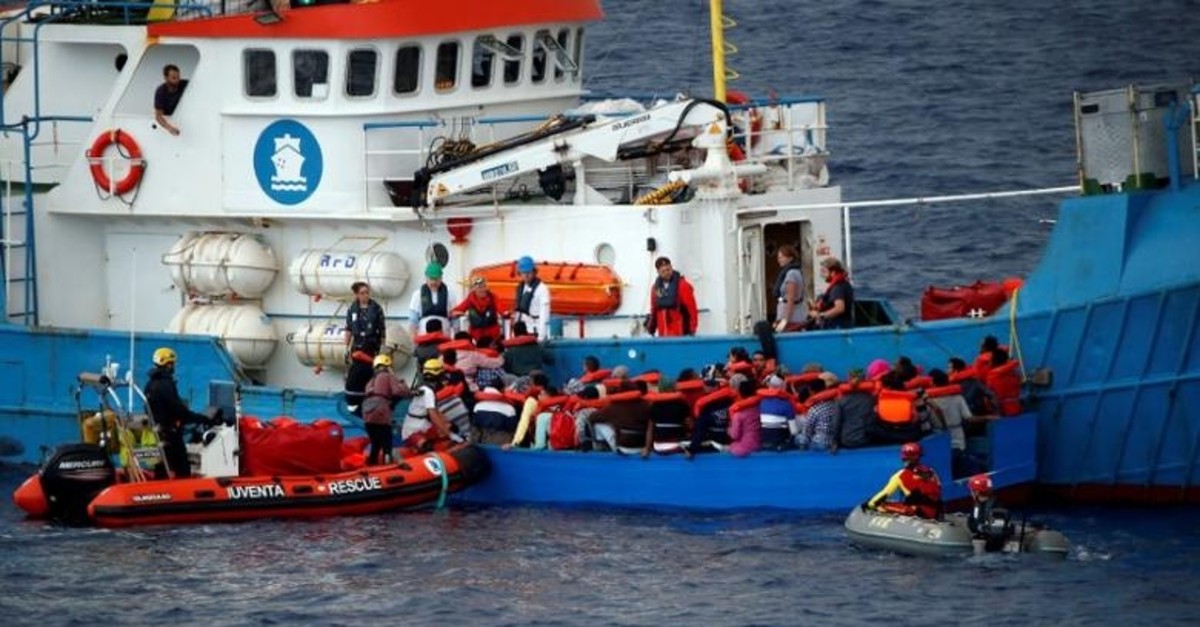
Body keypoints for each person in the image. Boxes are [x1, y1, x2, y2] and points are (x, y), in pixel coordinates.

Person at [143, 347, 208, 479]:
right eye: (172, 364)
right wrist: (202, 418)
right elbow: (178, 410)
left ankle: (159, 490)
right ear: (168, 364)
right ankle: (183, 493)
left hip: (159, 431)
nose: (174, 367)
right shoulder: (166, 384)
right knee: (182, 466)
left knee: (162, 465)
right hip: (170, 433)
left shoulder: (150, 383)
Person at [864, 442, 943, 520]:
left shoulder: (899, 475)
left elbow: (885, 493)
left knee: (878, 505)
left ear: (903, 457)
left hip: (919, 512)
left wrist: (869, 504)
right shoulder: (931, 471)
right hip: (936, 511)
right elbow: (939, 489)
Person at [361, 354, 410, 465]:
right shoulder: (388, 376)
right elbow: (397, 392)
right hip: (381, 412)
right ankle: (389, 465)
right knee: (387, 442)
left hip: (367, 414)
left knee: (375, 444)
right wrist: (404, 387)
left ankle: (371, 465)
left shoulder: (370, 381)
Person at [400, 359, 455, 451]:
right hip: (414, 430)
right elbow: (434, 416)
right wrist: (449, 434)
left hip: (423, 426)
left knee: (448, 431)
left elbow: (437, 413)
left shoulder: (424, 389)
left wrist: (448, 425)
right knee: (429, 447)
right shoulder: (428, 392)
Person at [645, 256, 699, 337]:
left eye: (668, 269)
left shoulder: (683, 286)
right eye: (663, 271)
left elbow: (692, 309)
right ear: (658, 272)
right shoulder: (655, 288)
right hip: (663, 334)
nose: (667, 273)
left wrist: (692, 330)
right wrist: (651, 328)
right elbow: (654, 309)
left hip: (681, 333)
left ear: (671, 268)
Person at [966, 474, 1014, 553]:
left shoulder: (997, 507)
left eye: (972, 490)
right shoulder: (976, 505)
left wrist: (984, 529)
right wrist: (978, 527)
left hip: (993, 546)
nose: (971, 493)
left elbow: (997, 533)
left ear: (977, 492)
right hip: (982, 540)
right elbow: (971, 523)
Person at [409, 261, 456, 336]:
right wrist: (414, 342)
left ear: (441, 278)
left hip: (444, 336)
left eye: (436, 279)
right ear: (426, 278)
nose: (434, 282)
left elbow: (455, 319)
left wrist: (457, 339)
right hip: (424, 338)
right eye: (431, 279)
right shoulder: (417, 294)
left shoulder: (450, 294)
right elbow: (413, 321)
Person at [450, 275, 502, 344]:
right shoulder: (470, 300)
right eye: (479, 287)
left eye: (484, 286)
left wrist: (506, 313)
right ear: (474, 289)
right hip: (476, 335)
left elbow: (502, 310)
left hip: (493, 335)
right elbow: (457, 310)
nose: (482, 289)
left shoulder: (493, 297)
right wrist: (455, 313)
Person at [511, 255, 551, 341]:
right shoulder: (521, 288)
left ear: (534, 272)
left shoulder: (542, 289)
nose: (526, 275)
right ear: (520, 273)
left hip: (535, 331)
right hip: (522, 331)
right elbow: (519, 311)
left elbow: (544, 314)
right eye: (523, 273)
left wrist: (541, 336)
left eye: (528, 272)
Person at [808, 257, 854, 330]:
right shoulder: (843, 284)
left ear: (833, 272)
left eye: (824, 271)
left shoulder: (838, 287)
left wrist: (820, 315)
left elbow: (839, 308)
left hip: (837, 327)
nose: (822, 275)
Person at [344, 281, 386, 357]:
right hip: (357, 345)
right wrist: (346, 347)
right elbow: (348, 329)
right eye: (362, 293)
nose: (365, 295)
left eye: (367, 293)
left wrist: (383, 346)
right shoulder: (352, 309)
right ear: (357, 295)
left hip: (372, 344)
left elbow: (382, 329)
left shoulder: (377, 309)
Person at [773, 244, 807, 332]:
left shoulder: (791, 274)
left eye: (782, 257)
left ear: (790, 258)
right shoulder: (797, 271)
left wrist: (785, 320)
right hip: (792, 313)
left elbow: (790, 299)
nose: (779, 260)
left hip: (792, 317)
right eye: (778, 257)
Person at [154, 64, 188, 136]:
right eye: (174, 78)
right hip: (173, 121)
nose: (177, 80)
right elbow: (158, 116)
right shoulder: (161, 91)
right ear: (166, 78)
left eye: (178, 77)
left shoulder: (185, 84)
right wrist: (170, 128)